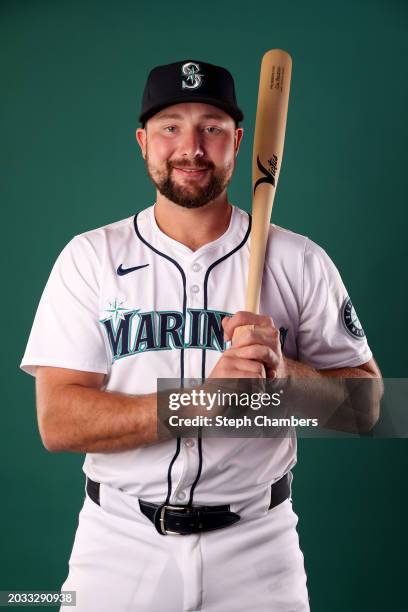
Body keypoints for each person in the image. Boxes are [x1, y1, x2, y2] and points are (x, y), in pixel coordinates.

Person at [20, 59, 382, 612]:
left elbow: (369, 410)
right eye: (170, 127)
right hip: (117, 545)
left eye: (211, 127)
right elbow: (58, 422)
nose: (191, 146)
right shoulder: (90, 258)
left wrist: (285, 380)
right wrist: (195, 405)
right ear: (143, 142)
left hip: (258, 546)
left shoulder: (299, 260)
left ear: (238, 142)